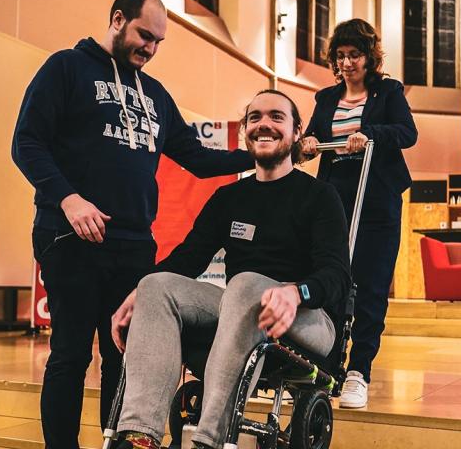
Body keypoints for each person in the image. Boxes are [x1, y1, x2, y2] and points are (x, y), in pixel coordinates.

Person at [11, 0, 253, 449]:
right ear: (118, 19)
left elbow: (196, 159)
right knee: (71, 353)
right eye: (146, 35)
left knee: (124, 356)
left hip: (133, 245)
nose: (152, 48)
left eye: (160, 41)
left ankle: (116, 443)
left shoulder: (156, 94)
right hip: (70, 236)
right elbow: (26, 144)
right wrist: (68, 199)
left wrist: (263, 155)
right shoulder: (66, 68)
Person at [111, 89, 351, 449]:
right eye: (254, 118)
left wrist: (295, 291)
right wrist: (138, 293)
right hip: (242, 308)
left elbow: (337, 277)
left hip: (309, 317)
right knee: (156, 285)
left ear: (297, 132)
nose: (264, 125)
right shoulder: (229, 198)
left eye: (276, 117)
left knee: (245, 283)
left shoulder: (319, 196)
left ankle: (208, 441)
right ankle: (139, 436)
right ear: (245, 131)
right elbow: (188, 258)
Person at [303, 18, 418, 408]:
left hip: (377, 202)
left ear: (370, 57)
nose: (348, 63)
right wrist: (308, 144)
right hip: (335, 202)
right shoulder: (325, 99)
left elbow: (407, 132)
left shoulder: (387, 91)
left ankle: (359, 371)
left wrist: (371, 135)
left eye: (355, 55)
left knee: (370, 286)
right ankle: (328, 365)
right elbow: (315, 137)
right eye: (341, 56)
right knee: (332, 282)